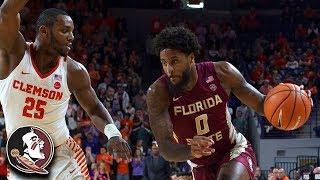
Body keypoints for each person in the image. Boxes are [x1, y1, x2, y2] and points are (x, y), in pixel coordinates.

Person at [0, 1, 130, 179]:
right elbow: (7, 11)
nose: (72, 37)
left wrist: (113, 134)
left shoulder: (73, 71)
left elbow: (93, 107)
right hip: (23, 156)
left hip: (62, 153)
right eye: (64, 31)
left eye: (72, 32)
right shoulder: (15, 54)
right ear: (44, 31)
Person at [146, 26, 274, 179]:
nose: (169, 69)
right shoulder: (158, 92)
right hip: (199, 165)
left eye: (174, 61)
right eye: (164, 63)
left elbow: (261, 104)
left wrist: (293, 100)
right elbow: (166, 148)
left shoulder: (222, 73)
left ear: (191, 58)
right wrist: (190, 151)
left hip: (233, 150)